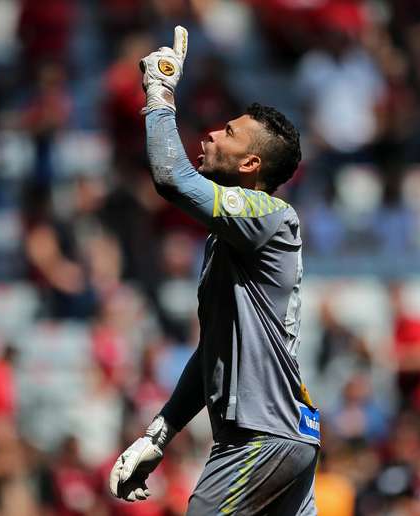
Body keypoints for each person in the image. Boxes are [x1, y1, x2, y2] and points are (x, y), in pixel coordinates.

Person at [109, 27, 320, 514]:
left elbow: (171, 178)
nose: (210, 133)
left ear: (250, 162)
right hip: (284, 434)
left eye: (227, 132)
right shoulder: (232, 240)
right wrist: (160, 432)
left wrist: (159, 93)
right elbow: (213, 354)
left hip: (260, 436)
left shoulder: (267, 215)